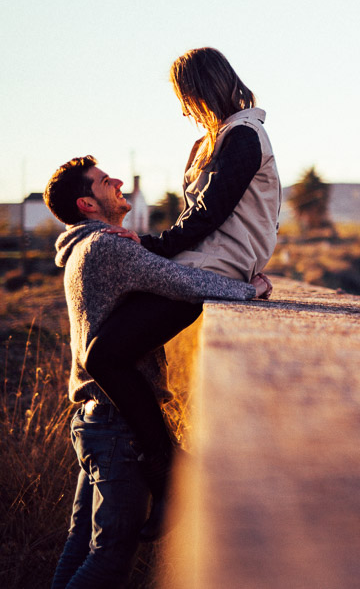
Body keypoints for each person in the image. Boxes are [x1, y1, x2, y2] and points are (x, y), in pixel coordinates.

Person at [44, 155, 271, 588]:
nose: (115, 181)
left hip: (92, 421)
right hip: (117, 425)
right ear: (86, 204)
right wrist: (250, 289)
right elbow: (181, 281)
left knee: (81, 545)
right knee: (109, 559)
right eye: (101, 180)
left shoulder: (80, 249)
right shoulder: (107, 246)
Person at [86, 47, 282, 539]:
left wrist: (151, 244)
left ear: (203, 88)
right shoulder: (217, 140)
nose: (183, 108)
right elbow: (195, 217)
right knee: (108, 343)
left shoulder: (243, 136)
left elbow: (208, 215)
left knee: (104, 355)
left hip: (214, 264)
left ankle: (167, 465)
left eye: (186, 96)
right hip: (198, 260)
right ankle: (154, 461)